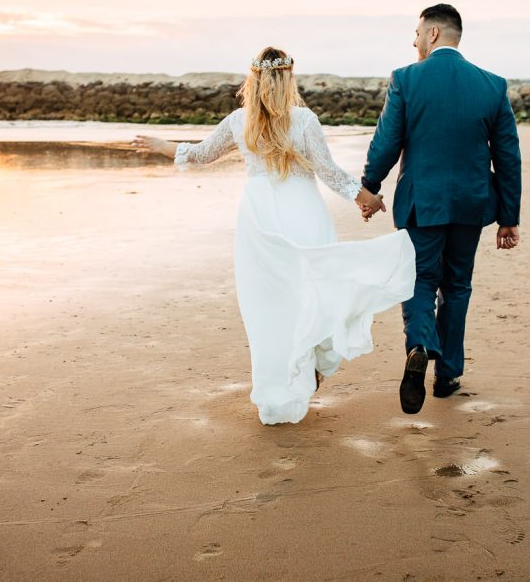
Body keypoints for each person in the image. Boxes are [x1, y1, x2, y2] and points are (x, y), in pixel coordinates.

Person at [132, 47, 415, 425]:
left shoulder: (239, 121)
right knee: (313, 289)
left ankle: (280, 391)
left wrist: (162, 146)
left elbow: (201, 154)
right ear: (288, 78)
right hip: (304, 212)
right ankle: (312, 364)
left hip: (259, 219)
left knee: (268, 308)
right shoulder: (304, 119)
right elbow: (327, 171)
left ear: (254, 80)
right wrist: (366, 199)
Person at [359, 4, 522, 415]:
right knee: (458, 285)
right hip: (471, 203)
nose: (413, 41)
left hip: (421, 202)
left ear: (432, 33)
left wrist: (369, 187)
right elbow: (508, 157)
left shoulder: (406, 80)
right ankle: (447, 373)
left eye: (415, 33)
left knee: (419, 279)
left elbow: (386, 142)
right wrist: (509, 217)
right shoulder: (492, 85)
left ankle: (419, 344)